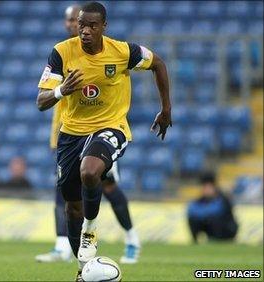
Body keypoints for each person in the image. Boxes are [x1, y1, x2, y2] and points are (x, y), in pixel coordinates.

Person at [36, 2, 172, 280]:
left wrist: (166, 108)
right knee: (71, 205)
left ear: (103, 27)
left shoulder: (124, 52)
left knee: (91, 171)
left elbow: (158, 63)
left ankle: (92, 227)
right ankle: (83, 270)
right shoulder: (62, 52)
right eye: (81, 25)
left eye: (91, 26)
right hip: (71, 133)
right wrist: (63, 90)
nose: (84, 31)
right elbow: (41, 101)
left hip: (111, 126)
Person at [187, 172, 238, 243]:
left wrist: (203, 213)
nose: (206, 190)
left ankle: (218, 240)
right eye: (204, 187)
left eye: (208, 187)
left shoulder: (223, 199)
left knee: (214, 219)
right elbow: (191, 210)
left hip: (227, 229)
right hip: (210, 226)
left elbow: (216, 211)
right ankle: (195, 241)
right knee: (193, 219)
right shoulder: (201, 200)